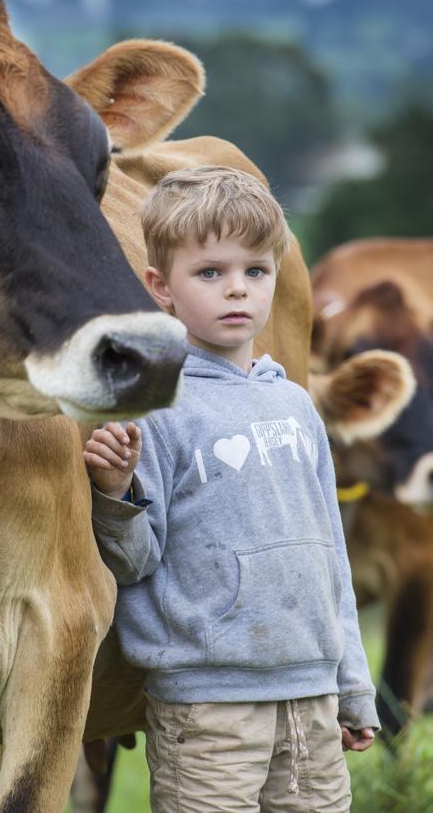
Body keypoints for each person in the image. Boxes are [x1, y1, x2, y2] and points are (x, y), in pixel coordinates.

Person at [83, 166, 378, 812]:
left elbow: (331, 556)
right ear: (161, 286)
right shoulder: (153, 410)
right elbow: (134, 561)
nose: (237, 289)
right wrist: (115, 489)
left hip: (311, 697)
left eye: (255, 270)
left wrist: (353, 685)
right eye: (210, 272)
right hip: (208, 708)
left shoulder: (298, 407)